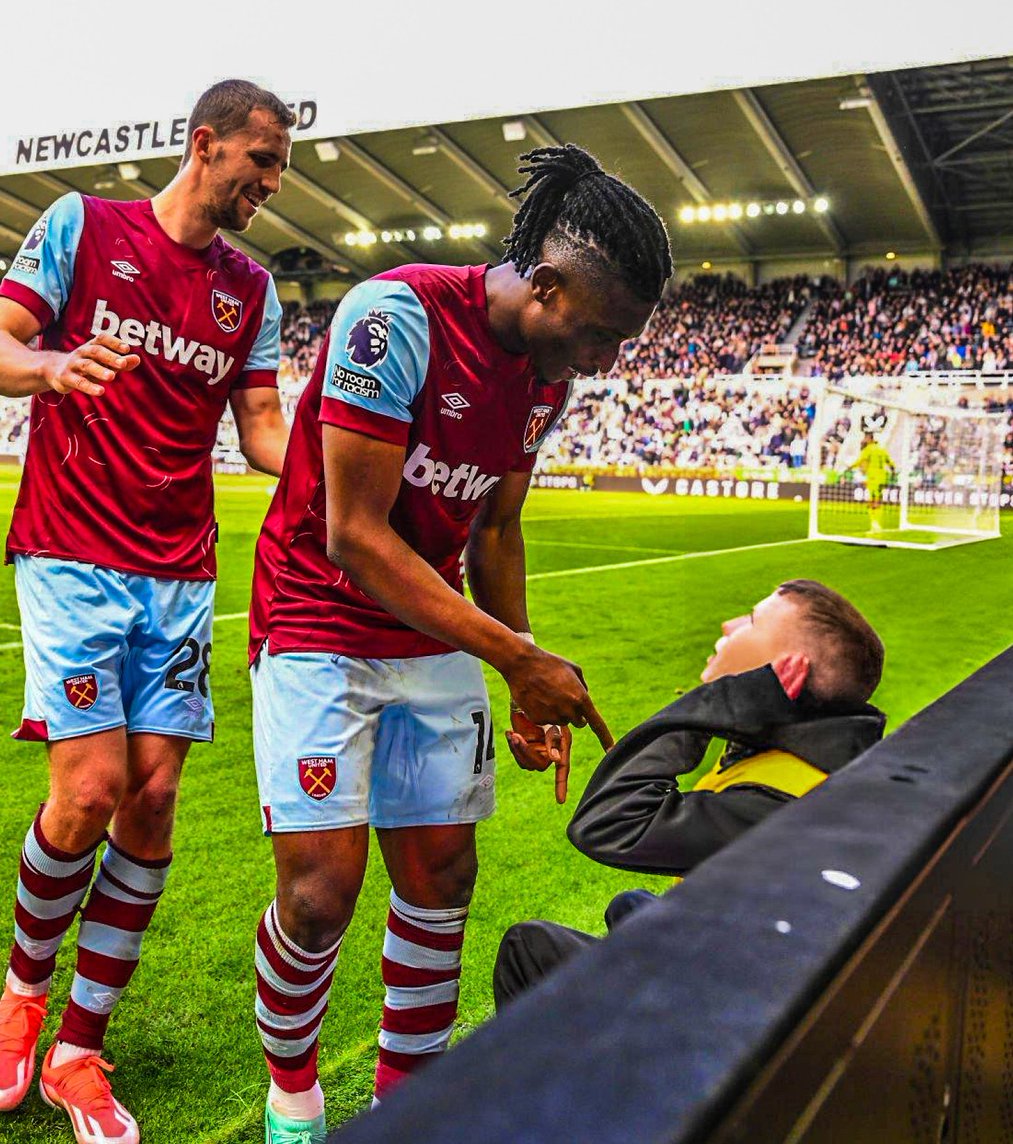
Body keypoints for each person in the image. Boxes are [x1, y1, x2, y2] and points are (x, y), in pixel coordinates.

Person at [247, 143, 672, 1142]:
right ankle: (293, 1103)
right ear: (548, 284)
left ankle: (412, 1105)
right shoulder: (390, 317)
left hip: (431, 624)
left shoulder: (542, 370)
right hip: (317, 615)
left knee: (442, 874)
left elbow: (494, 525)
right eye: (601, 333)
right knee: (319, 893)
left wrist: (518, 655)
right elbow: (355, 538)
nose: (604, 361)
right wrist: (515, 660)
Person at [0, 79, 294, 1144]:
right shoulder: (83, 225)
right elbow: (1, 342)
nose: (268, 184)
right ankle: (21, 994)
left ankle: (80, 1045)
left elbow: (261, 425)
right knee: (89, 787)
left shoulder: (250, 290)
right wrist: (49, 364)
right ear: (205, 144)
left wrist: (344, 465)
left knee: (155, 798)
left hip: (178, 572)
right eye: (258, 162)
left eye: (279, 171)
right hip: (72, 551)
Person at [493, 579, 885, 1009]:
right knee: (631, 906)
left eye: (753, 621)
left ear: (782, 675)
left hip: (730, 1011)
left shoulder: (776, 803)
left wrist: (720, 701)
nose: (730, 624)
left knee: (528, 948)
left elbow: (605, 824)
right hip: (756, 962)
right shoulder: (815, 756)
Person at [854, 431, 896, 532]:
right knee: (878, 499)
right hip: (882, 477)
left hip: (873, 477)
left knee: (872, 501)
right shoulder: (882, 449)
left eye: (865, 438)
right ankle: (877, 523)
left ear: (869, 439)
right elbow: (890, 463)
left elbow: (860, 461)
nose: (864, 440)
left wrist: (849, 467)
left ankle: (874, 523)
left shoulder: (868, 449)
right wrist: (893, 472)